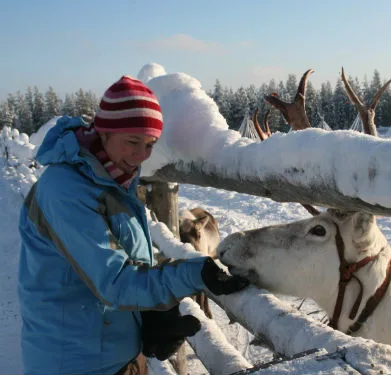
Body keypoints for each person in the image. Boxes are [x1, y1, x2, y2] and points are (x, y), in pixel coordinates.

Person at [18, 76, 249, 375]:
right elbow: (115, 281)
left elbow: (126, 259)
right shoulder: (66, 190)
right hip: (75, 363)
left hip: (112, 355)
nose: (141, 156)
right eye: (132, 141)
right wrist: (196, 272)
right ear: (104, 132)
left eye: (150, 144)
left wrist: (147, 315)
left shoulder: (111, 179)